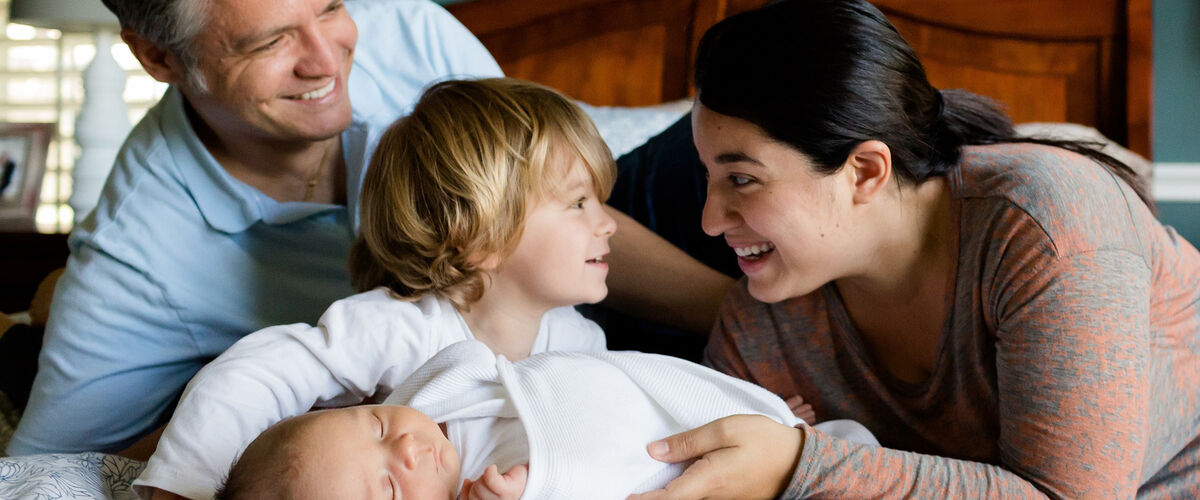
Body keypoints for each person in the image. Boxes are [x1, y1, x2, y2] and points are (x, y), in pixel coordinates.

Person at [6, 0, 731, 457]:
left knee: (730, 128)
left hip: (575, 247)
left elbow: (544, 203)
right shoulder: (136, 255)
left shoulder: (408, 27)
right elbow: (49, 471)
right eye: (269, 43)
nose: (329, 60)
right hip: (494, 312)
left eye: (330, 6)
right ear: (158, 57)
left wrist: (745, 319)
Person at [134, 78, 822, 499]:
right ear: (480, 236)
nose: (608, 225)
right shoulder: (399, 325)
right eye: (578, 203)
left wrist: (740, 410)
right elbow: (258, 373)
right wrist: (183, 487)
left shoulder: (575, 337)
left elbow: (628, 417)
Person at [627, 1, 1200, 499]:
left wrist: (800, 466)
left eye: (742, 179)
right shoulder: (758, 330)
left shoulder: (1046, 225)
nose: (709, 221)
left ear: (864, 171)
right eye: (708, 177)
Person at [205, 340, 875, 500]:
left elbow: (585, 376)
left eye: (377, 426)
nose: (406, 446)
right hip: (691, 474)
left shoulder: (445, 393)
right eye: (386, 487)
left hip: (695, 413)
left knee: (841, 453)